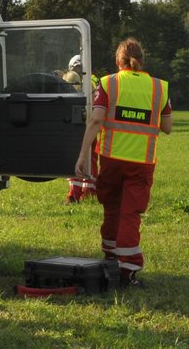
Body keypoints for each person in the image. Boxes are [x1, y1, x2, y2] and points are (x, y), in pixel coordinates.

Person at [73, 37, 172, 288]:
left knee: (113, 209)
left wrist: (83, 154)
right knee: (130, 214)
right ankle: (127, 272)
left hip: (111, 159)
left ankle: (110, 257)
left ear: (118, 61)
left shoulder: (108, 83)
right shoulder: (160, 88)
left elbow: (96, 121)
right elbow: (167, 127)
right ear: (142, 60)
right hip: (142, 162)